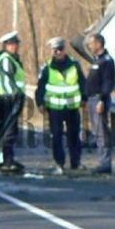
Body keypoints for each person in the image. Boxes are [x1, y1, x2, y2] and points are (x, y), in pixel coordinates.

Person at [35, 37, 86, 175]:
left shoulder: (75, 65)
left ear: (64, 50)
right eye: (55, 50)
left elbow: (82, 82)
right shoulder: (47, 67)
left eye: (60, 49)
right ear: (51, 51)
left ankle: (76, 162)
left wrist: (84, 98)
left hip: (72, 107)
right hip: (55, 109)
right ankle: (60, 164)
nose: (58, 52)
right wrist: (39, 103)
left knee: (74, 136)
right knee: (56, 136)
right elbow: (40, 87)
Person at [0, 31, 26, 172]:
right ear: (6, 45)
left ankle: (7, 159)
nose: (15, 46)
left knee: (8, 130)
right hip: (7, 100)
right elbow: (7, 81)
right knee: (8, 131)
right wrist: (15, 97)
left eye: (16, 44)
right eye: (12, 44)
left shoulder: (11, 59)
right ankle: (6, 161)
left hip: (9, 99)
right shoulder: (6, 60)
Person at [85, 33, 115, 174]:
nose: (90, 46)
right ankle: (102, 161)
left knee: (102, 132)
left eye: (91, 43)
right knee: (97, 132)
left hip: (99, 100)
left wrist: (102, 100)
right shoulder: (97, 61)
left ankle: (105, 163)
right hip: (93, 99)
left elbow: (108, 82)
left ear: (98, 44)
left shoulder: (107, 61)